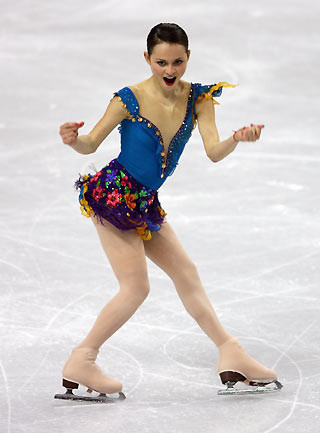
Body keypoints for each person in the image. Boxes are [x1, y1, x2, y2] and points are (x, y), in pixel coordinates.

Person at [56, 23, 282, 401]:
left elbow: (213, 151)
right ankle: (82, 359)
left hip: (145, 202)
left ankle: (231, 352)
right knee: (136, 287)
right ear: (147, 59)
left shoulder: (199, 98)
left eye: (178, 61)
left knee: (186, 273)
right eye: (161, 62)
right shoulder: (127, 99)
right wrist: (72, 139)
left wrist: (236, 140)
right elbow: (91, 142)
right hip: (114, 197)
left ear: (188, 57)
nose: (170, 70)